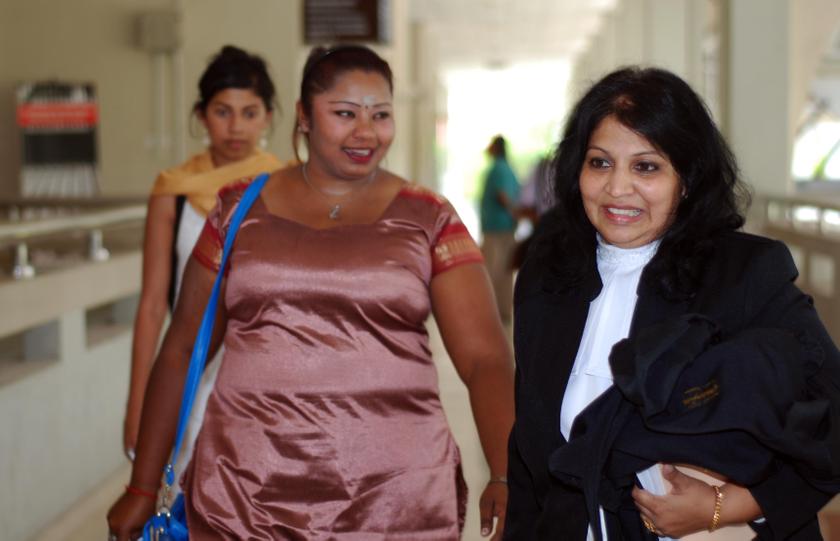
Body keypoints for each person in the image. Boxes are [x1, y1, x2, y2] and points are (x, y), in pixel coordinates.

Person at [108, 44, 514, 540]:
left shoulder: (428, 217)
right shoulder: (238, 210)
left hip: (394, 497)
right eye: (345, 113)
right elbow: (181, 350)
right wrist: (142, 488)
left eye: (380, 115)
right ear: (303, 117)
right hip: (247, 494)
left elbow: (485, 360)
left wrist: (504, 469)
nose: (366, 131)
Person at [504, 66, 840, 540]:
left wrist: (725, 507)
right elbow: (530, 447)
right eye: (600, 162)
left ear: (687, 178)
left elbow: (834, 412)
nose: (617, 188)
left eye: (646, 166)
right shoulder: (548, 274)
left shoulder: (744, 273)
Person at [121, 45, 283, 486]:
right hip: (189, 369)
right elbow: (154, 305)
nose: (237, 127)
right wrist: (138, 403)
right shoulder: (172, 190)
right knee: (190, 498)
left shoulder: (283, 189)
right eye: (222, 112)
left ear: (269, 116)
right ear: (201, 115)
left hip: (266, 374)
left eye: (250, 113)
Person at [479, 135, 520, 322]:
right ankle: (503, 311)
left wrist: (512, 212)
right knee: (505, 271)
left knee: (492, 270)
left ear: (496, 148)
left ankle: (491, 313)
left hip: (496, 227)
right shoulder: (510, 170)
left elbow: (503, 196)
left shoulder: (497, 169)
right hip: (507, 226)